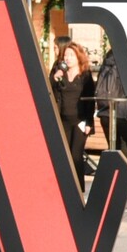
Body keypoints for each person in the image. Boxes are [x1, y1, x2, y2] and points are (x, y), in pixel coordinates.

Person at [92, 41, 127, 200]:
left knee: (114, 149)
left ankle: (114, 184)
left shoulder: (106, 64)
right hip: (125, 111)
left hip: (106, 112)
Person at [50, 40, 95, 187]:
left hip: (80, 121)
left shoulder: (85, 75)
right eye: (66, 55)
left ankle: (79, 188)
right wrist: (55, 79)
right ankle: (66, 186)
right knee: (65, 155)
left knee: (76, 155)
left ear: (78, 57)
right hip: (63, 120)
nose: (68, 58)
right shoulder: (59, 72)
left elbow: (90, 100)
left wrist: (89, 122)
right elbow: (51, 92)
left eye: (71, 55)